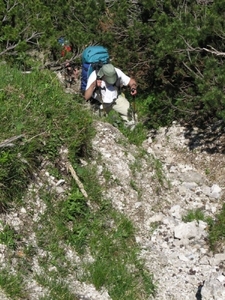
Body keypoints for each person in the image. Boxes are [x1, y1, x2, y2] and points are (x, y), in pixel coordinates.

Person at [84, 63, 138, 128]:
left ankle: (129, 132)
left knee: (133, 116)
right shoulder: (94, 76)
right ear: (103, 75)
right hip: (100, 103)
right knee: (96, 123)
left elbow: (131, 81)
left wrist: (133, 87)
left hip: (116, 99)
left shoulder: (117, 72)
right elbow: (86, 97)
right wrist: (93, 85)